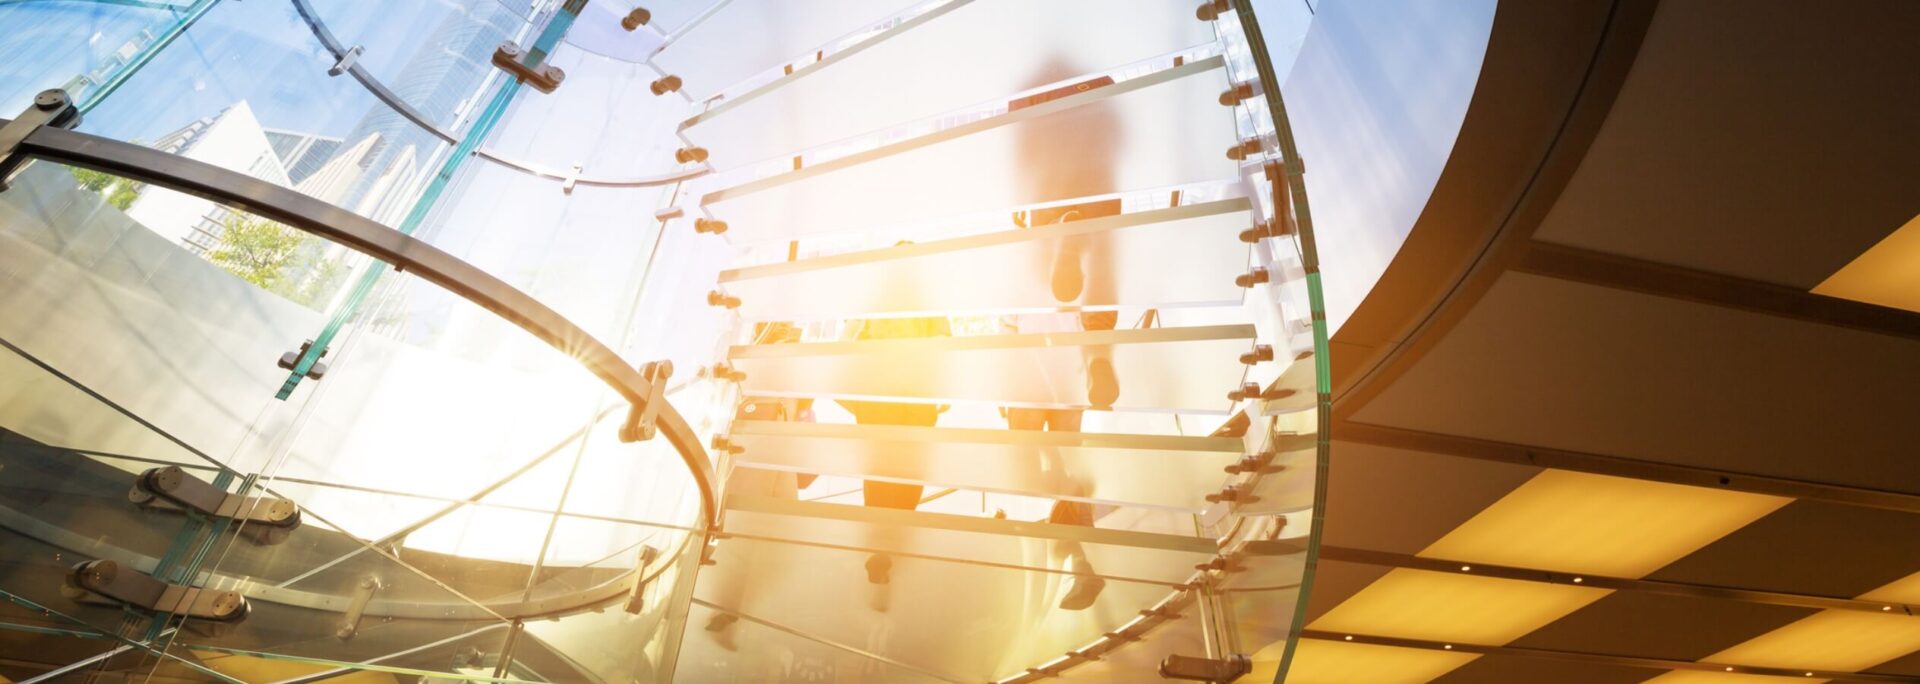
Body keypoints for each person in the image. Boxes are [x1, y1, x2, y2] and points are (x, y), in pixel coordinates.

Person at [833, 312, 950, 611]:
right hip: (910, 396)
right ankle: (888, 546)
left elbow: (847, 344)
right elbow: (945, 344)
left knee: (883, 471)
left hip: (886, 395)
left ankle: (883, 549)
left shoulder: (878, 301)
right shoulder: (926, 302)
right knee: (907, 472)